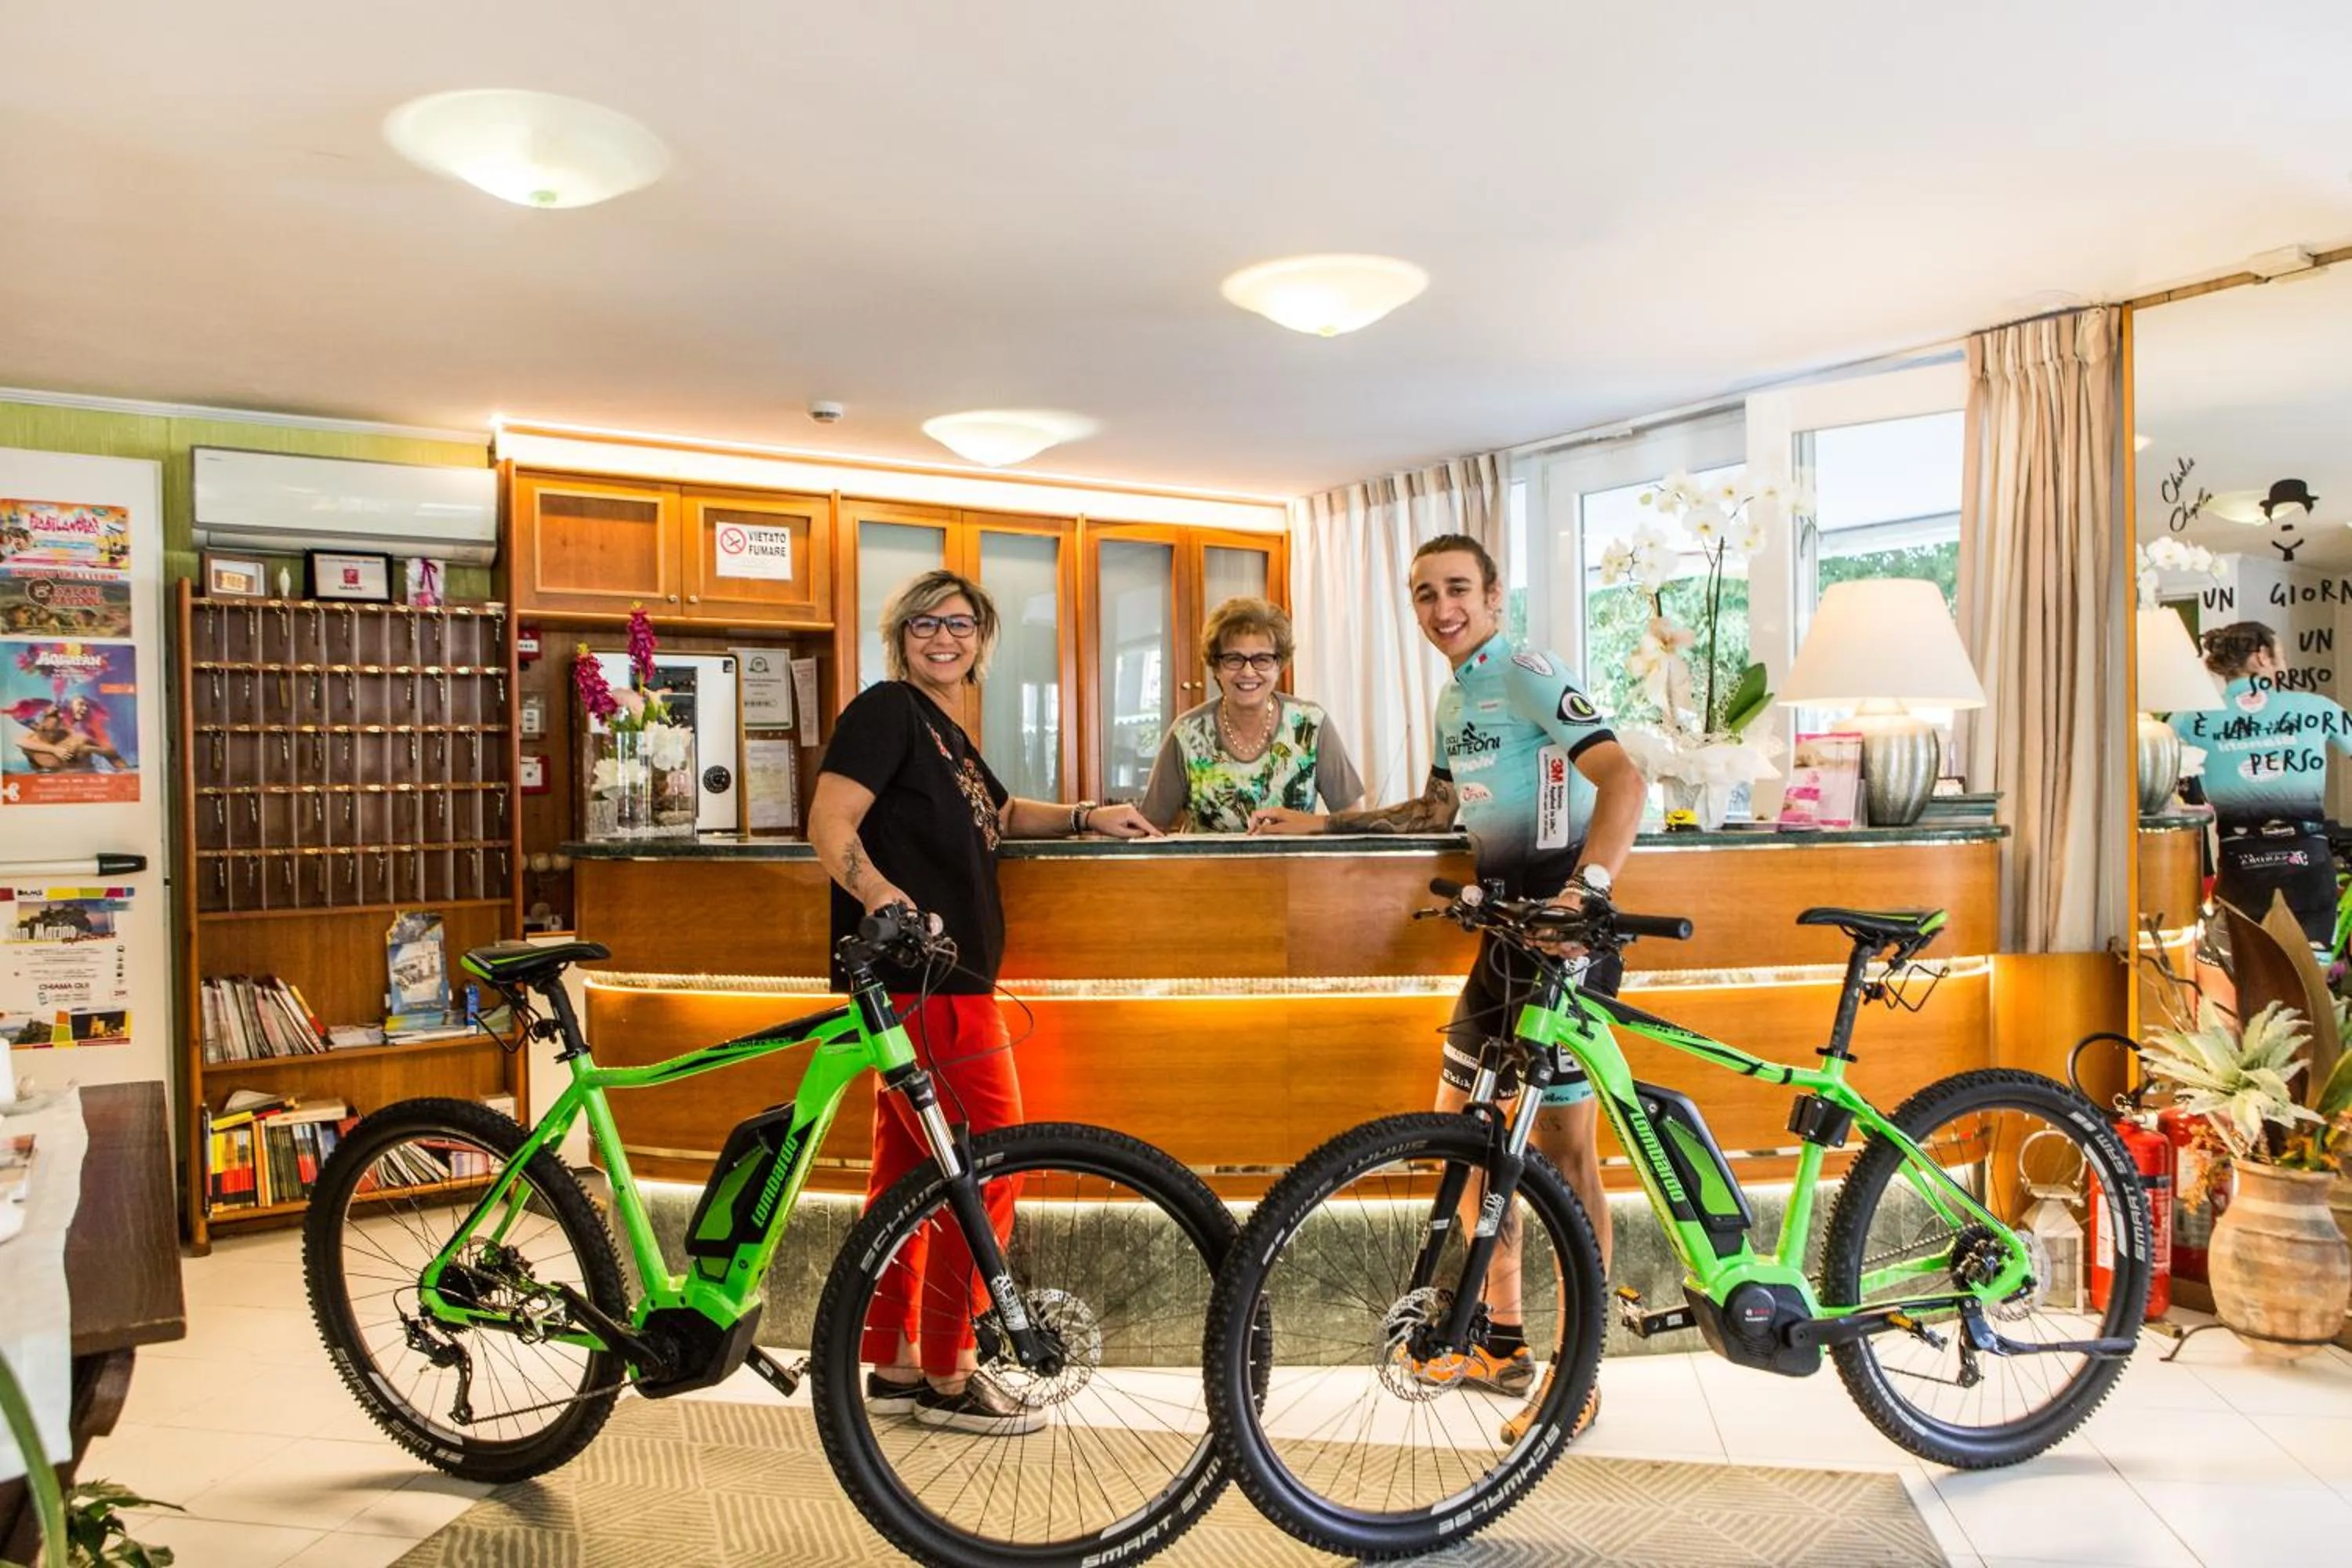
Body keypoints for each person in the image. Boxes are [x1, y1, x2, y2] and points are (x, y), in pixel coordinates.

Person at [1250, 533, 1646, 1444]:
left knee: (1565, 1154)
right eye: (1424, 593)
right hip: (1504, 938)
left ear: (1496, 597)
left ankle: (1577, 1371)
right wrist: (1327, 823)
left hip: (1565, 941)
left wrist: (1589, 892)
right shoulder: (1454, 691)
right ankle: (1497, 1337)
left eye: (1458, 588)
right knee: (1463, 1133)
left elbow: (1624, 775)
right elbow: (1437, 809)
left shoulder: (1529, 669)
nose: (1441, 607)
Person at [809, 568, 1161, 1435]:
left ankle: (893, 1357)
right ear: (901, 633)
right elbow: (828, 822)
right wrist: (885, 897)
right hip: (929, 980)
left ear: (981, 640)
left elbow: (1000, 812)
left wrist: (1087, 816)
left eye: (960, 624)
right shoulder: (887, 709)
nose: (944, 637)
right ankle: (951, 1366)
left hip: (933, 985)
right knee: (985, 1163)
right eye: (926, 622)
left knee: (906, 1173)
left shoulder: (943, 730)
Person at [2171, 619, 2352, 952]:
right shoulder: (2317, 709)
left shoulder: (2189, 719)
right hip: (2307, 866)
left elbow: (2157, 783)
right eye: (2279, 654)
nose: (2283, 664)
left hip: (2240, 867)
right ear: (2262, 655)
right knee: (2307, 980)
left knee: (2248, 978)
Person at [1137, 597, 1364, 832]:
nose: (1248, 672)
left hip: (1294, 868)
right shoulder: (1186, 734)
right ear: (1216, 666)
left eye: (1262, 660)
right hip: (1205, 869)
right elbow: (1151, 830)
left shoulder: (1311, 726)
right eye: (1234, 659)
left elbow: (1353, 820)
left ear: (1279, 665)